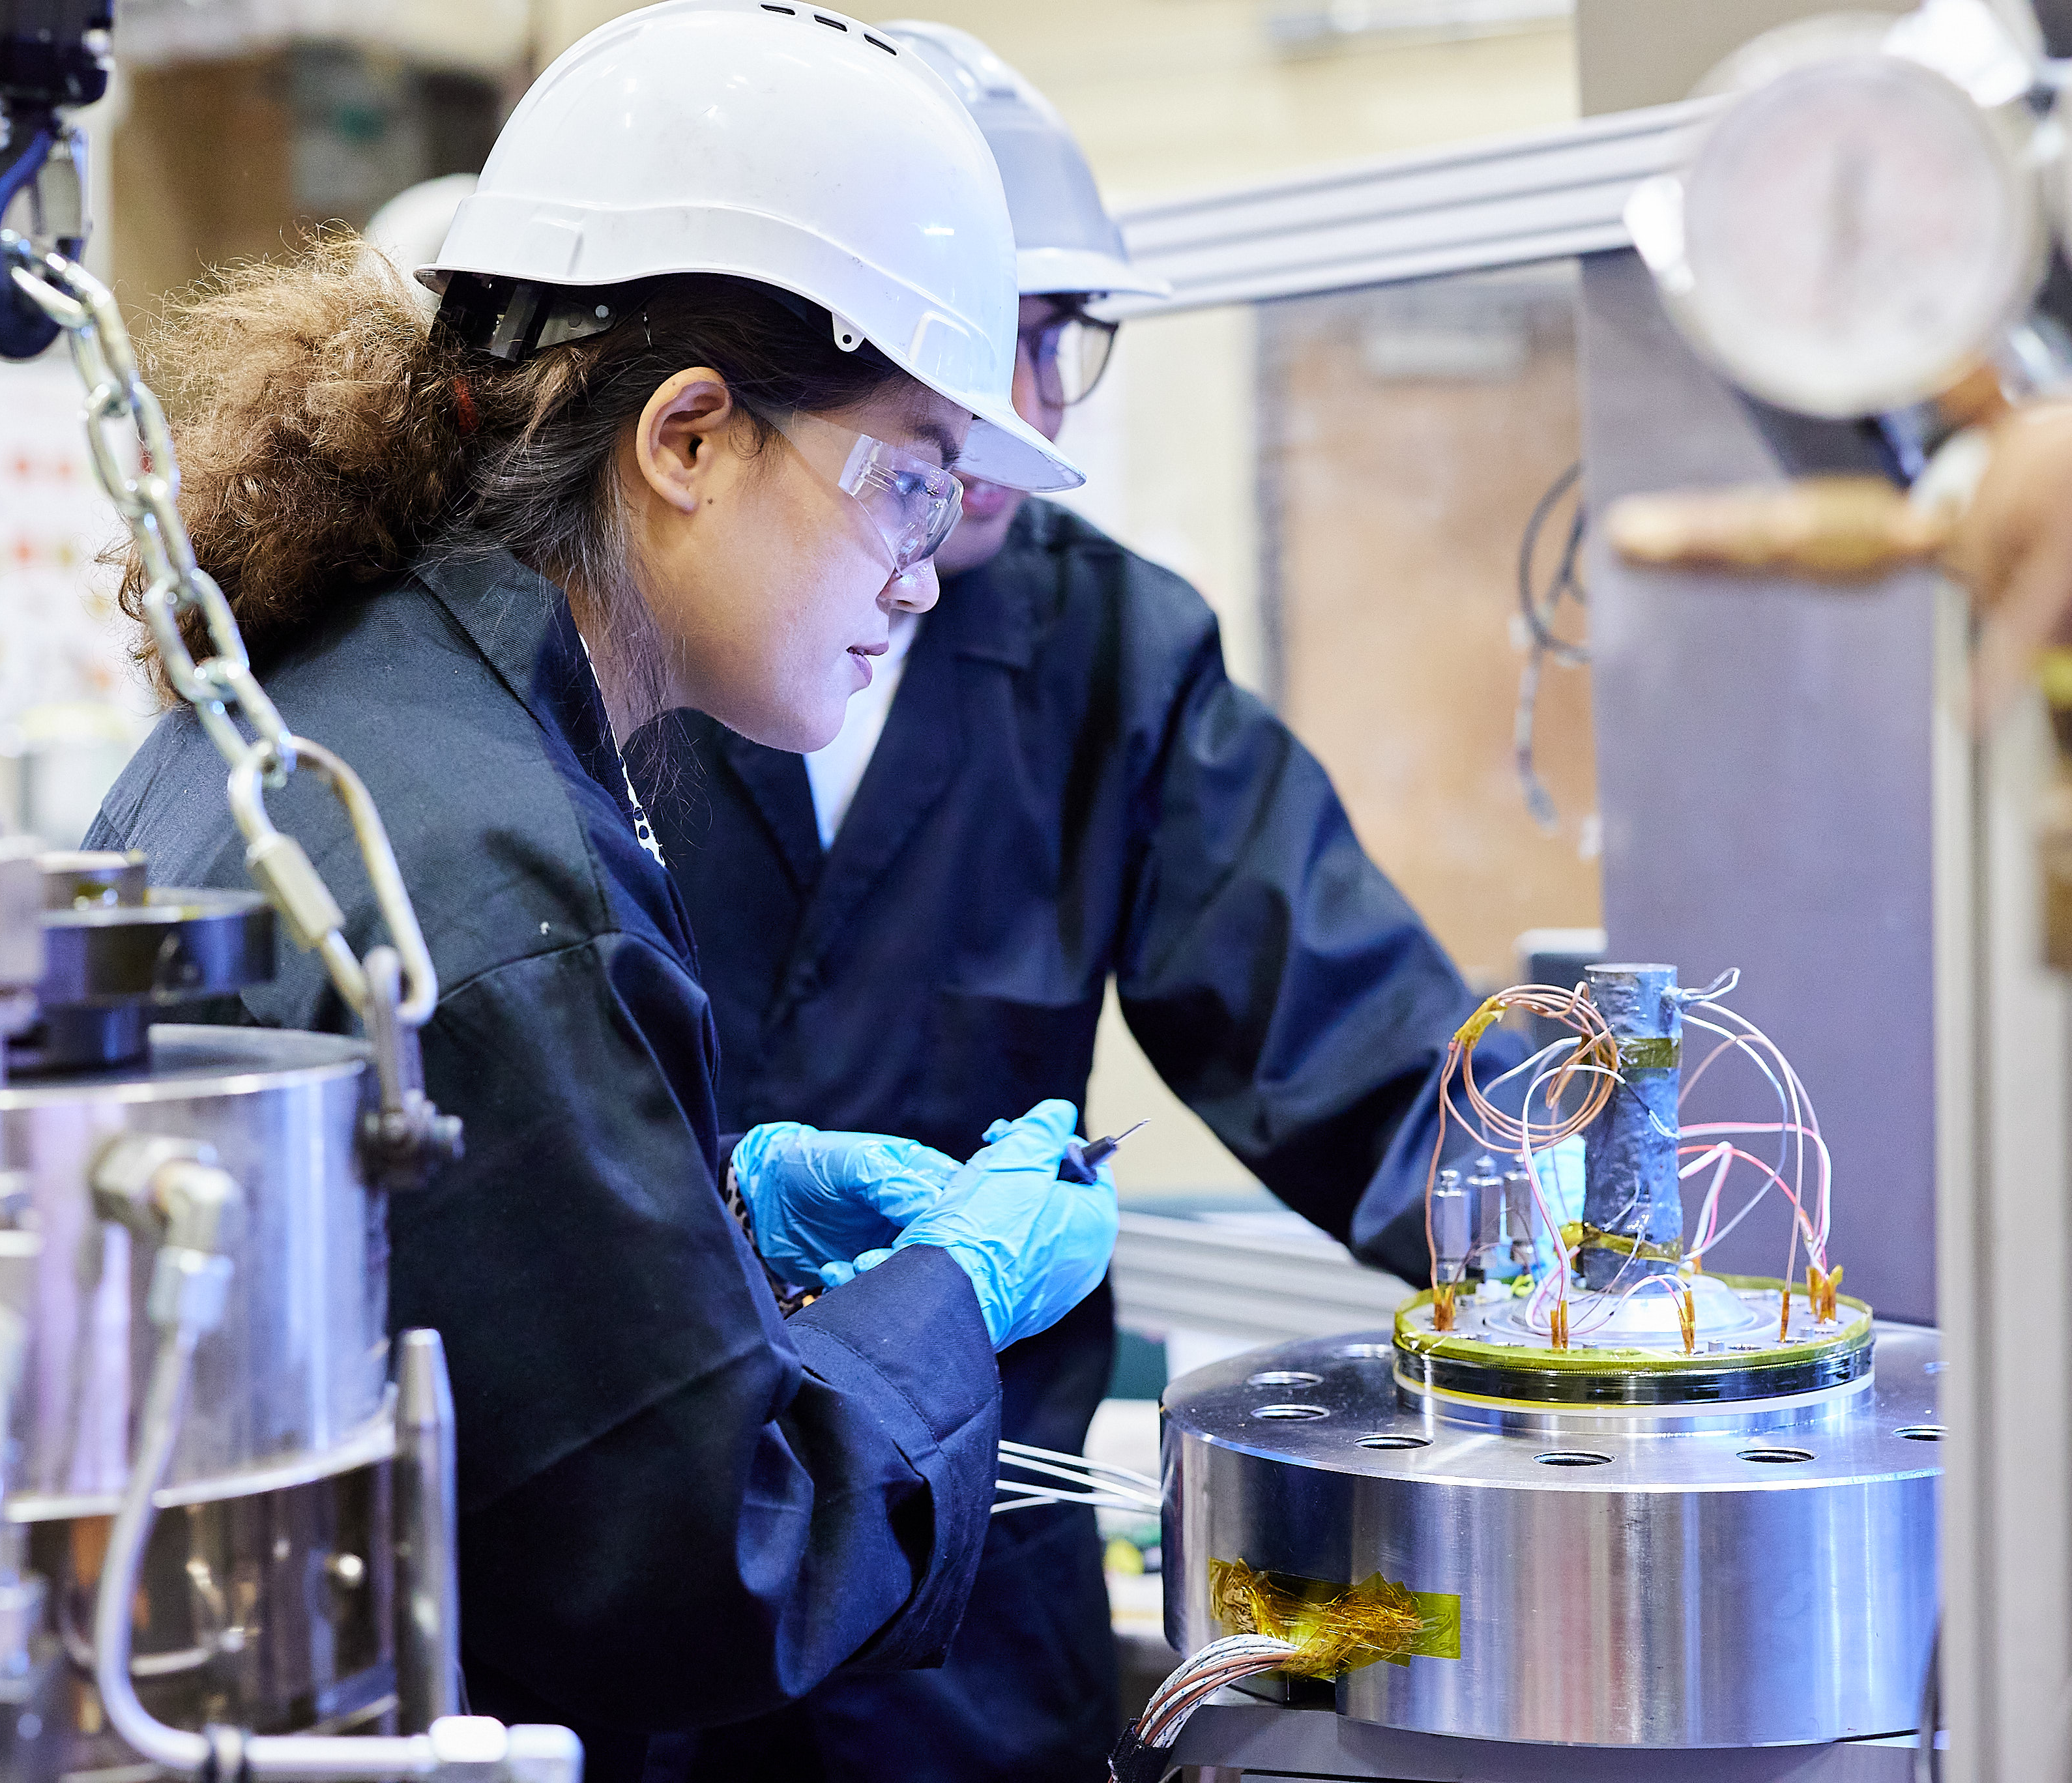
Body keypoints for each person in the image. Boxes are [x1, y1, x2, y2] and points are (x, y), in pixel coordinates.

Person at [80, 5, 1120, 1777]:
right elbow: (720, 1555)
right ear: (691, 437)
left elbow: (438, 1279)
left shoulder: (348, 710)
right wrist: (952, 1285)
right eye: (912, 482)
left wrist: (697, 1212)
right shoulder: (491, 862)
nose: (926, 577)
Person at [638, 23, 1530, 1782]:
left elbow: (1346, 1040)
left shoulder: (1108, 653)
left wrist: (1580, 1266)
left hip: (970, 1607)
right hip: (651, 1574)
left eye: (1065, 344)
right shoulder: (617, 645)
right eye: (995, 345)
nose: (1033, 416)